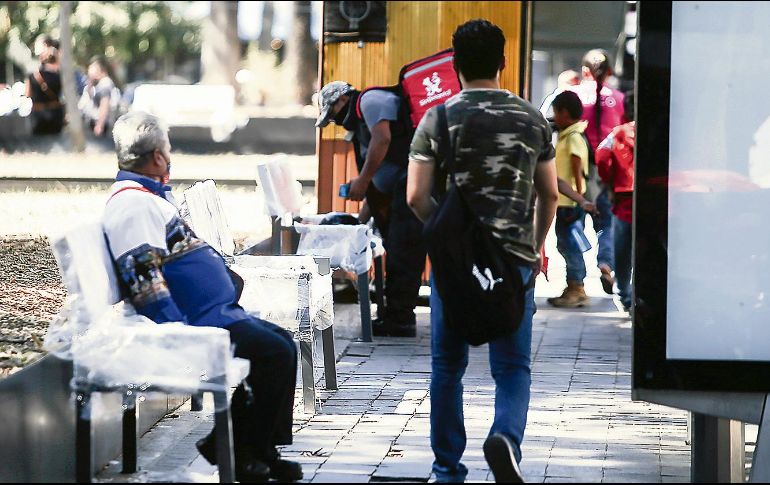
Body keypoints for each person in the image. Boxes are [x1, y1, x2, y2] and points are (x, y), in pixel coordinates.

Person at [102, 111, 302, 483]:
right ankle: (243, 453)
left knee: (282, 343)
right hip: (195, 323)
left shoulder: (145, 197)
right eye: (168, 148)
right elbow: (144, 281)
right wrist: (179, 335)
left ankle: (251, 448)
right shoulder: (133, 204)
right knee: (274, 352)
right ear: (158, 156)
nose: (170, 155)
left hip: (214, 312)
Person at [407, 19, 559, 483]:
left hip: (457, 266)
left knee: (447, 369)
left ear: (454, 65)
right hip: (512, 262)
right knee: (513, 367)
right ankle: (505, 439)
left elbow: (416, 196)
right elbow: (550, 194)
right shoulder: (532, 117)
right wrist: (531, 250)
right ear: (504, 61)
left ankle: (448, 468)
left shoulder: (438, 117)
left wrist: (448, 238)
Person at [315, 80, 426, 338]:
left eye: (333, 114)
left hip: (412, 184)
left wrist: (362, 181)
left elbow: (383, 138)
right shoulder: (362, 117)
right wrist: (358, 222)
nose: (336, 121)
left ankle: (401, 321)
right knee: (400, 250)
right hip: (401, 189)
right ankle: (396, 316)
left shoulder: (370, 101)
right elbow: (379, 181)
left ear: (343, 100)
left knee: (404, 251)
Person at [566, 49, 626, 295]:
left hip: (576, 173)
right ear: (610, 72)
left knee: (573, 226)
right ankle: (605, 265)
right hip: (607, 173)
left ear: (584, 71)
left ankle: (576, 282)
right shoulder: (620, 99)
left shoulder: (572, 95)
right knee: (606, 225)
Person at [547, 91, 592, 308]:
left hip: (571, 202)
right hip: (567, 201)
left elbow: (577, 163)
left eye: (555, 112)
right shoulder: (568, 134)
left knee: (570, 245)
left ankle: (577, 287)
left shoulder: (574, 136)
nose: (554, 117)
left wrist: (578, 194)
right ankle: (572, 285)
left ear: (564, 112)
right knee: (564, 244)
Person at [596, 92, 635, 312]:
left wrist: (609, 180)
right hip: (659, 202)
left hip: (625, 200)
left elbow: (601, 154)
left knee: (622, 250)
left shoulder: (618, 133)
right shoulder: (660, 131)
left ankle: (623, 295)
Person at [24, 35, 64, 135]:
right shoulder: (60, 72)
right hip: (55, 113)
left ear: (45, 45)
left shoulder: (32, 71)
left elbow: (27, 94)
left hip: (38, 114)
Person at [79, 56, 119, 138]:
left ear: (98, 69)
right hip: (99, 123)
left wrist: (99, 125)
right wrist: (90, 82)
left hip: (102, 125)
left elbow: (104, 104)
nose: (89, 71)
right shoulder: (101, 83)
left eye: (91, 68)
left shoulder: (105, 84)